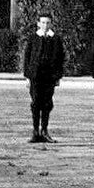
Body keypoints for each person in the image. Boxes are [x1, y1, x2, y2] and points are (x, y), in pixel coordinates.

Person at [23, 12, 65, 143]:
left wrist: (58, 76)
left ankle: (44, 131)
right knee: (36, 103)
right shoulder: (33, 38)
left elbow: (60, 58)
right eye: (43, 22)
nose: (45, 25)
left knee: (47, 103)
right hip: (35, 76)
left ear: (51, 23)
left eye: (47, 23)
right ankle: (35, 132)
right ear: (38, 23)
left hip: (49, 76)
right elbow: (27, 58)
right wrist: (27, 76)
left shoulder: (56, 39)